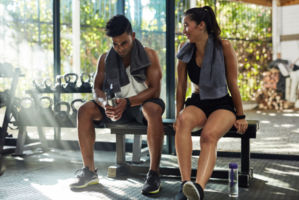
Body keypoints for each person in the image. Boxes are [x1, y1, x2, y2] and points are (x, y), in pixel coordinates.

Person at [69, 15, 165, 194]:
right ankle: (89, 171)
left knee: (153, 108)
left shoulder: (149, 54)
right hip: (115, 106)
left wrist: (128, 102)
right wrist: (105, 103)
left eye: (124, 43)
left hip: (141, 105)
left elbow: (155, 90)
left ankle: (154, 174)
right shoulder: (105, 58)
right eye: (115, 44)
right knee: (84, 109)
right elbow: (96, 89)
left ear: (133, 36)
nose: (120, 48)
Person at [174, 6, 248, 200]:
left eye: (186, 25)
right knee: (182, 121)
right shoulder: (184, 49)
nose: (184, 30)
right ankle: (184, 184)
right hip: (198, 101)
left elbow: (233, 83)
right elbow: (181, 86)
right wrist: (177, 114)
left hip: (221, 103)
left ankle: (198, 188)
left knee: (208, 135)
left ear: (201, 25)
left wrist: (240, 116)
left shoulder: (224, 46)